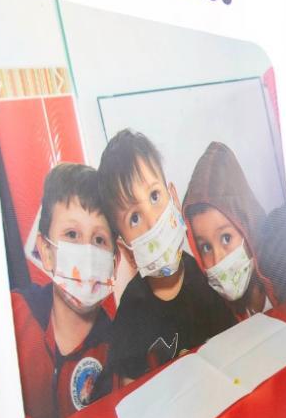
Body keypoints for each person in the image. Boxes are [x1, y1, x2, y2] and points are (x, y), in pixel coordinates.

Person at [96, 130, 236, 381]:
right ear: (126, 248)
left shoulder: (204, 278)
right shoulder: (131, 313)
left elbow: (231, 349)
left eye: (154, 196)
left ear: (173, 196)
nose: (153, 221)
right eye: (134, 217)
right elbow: (130, 394)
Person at [13, 163, 118, 418]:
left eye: (99, 240)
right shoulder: (15, 315)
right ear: (46, 251)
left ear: (114, 262)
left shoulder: (118, 349)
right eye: (72, 234)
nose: (87, 252)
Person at [182, 141, 286, 320]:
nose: (218, 260)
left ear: (247, 227)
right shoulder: (213, 312)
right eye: (206, 247)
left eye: (226, 238)